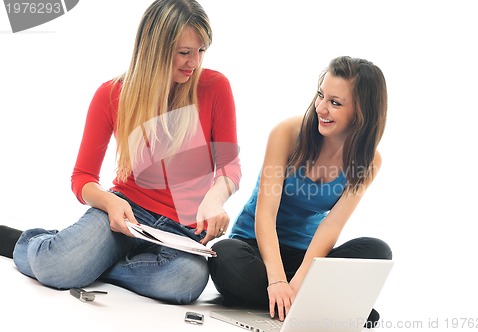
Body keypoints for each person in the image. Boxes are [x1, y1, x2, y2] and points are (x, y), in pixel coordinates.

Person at [0, 0, 240, 304]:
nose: (194, 62)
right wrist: (110, 203)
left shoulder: (215, 86)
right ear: (155, 48)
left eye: (201, 50)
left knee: (186, 282)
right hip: (126, 213)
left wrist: (214, 199)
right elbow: (82, 177)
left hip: (180, 229)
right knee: (54, 267)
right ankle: (29, 243)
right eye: (184, 52)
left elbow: (230, 168)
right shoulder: (111, 94)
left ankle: (93, 265)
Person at [208, 56, 392, 326]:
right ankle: (316, 305)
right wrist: (278, 279)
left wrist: (300, 278)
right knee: (223, 256)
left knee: (377, 251)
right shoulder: (286, 133)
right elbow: (266, 213)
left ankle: (286, 301)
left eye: (335, 103)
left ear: (361, 113)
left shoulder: (369, 161)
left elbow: (331, 226)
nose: (321, 108)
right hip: (255, 248)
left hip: (305, 258)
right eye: (320, 95)